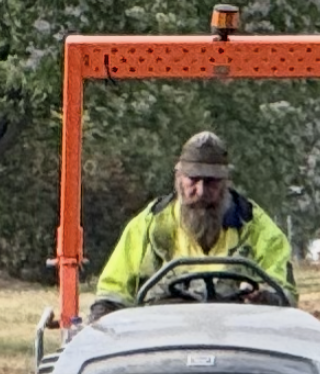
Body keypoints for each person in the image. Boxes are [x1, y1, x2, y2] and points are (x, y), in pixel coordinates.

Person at [92, 131, 297, 311]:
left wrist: (266, 297)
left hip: (235, 337)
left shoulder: (256, 227)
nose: (200, 191)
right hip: (165, 337)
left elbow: (284, 291)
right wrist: (105, 311)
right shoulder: (149, 225)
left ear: (225, 181)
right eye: (193, 179)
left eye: (211, 182)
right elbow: (113, 290)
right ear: (178, 177)